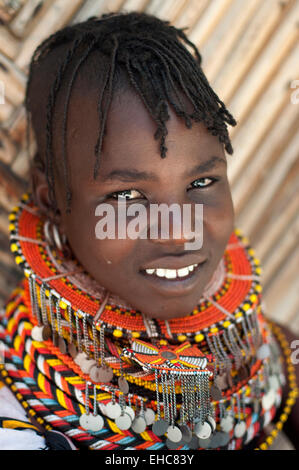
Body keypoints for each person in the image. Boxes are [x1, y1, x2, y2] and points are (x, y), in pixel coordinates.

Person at [0, 11, 297, 451]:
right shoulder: (15, 423)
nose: (180, 235)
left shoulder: (273, 353)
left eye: (201, 183)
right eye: (126, 197)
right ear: (49, 197)